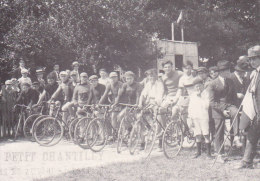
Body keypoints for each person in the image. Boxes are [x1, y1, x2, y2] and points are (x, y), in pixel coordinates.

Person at [207, 60, 238, 163]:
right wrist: (222, 110)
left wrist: (234, 106)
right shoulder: (212, 83)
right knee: (219, 130)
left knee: (236, 112)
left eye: (229, 70)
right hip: (217, 108)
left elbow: (234, 97)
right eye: (226, 70)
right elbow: (212, 102)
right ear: (220, 72)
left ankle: (236, 137)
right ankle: (219, 153)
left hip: (229, 106)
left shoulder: (230, 81)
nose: (229, 72)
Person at [236, 45, 260, 169]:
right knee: (252, 135)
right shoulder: (254, 73)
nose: (252, 61)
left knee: (253, 134)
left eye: (254, 58)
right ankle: (246, 161)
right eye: (250, 59)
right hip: (256, 111)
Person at [138, 69, 165, 150]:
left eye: (153, 75)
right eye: (149, 76)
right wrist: (140, 103)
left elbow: (160, 95)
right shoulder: (148, 84)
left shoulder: (159, 84)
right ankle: (149, 128)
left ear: (156, 76)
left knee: (158, 119)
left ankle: (160, 142)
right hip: (149, 102)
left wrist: (155, 102)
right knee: (140, 116)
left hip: (157, 102)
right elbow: (143, 94)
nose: (151, 77)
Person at [188, 79, 212, 159]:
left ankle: (209, 154)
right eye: (196, 86)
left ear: (203, 85)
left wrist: (201, 97)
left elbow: (206, 106)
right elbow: (190, 107)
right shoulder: (192, 95)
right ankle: (198, 152)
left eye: (199, 86)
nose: (198, 88)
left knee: (206, 134)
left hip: (203, 117)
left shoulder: (206, 94)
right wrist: (190, 117)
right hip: (195, 117)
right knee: (197, 134)